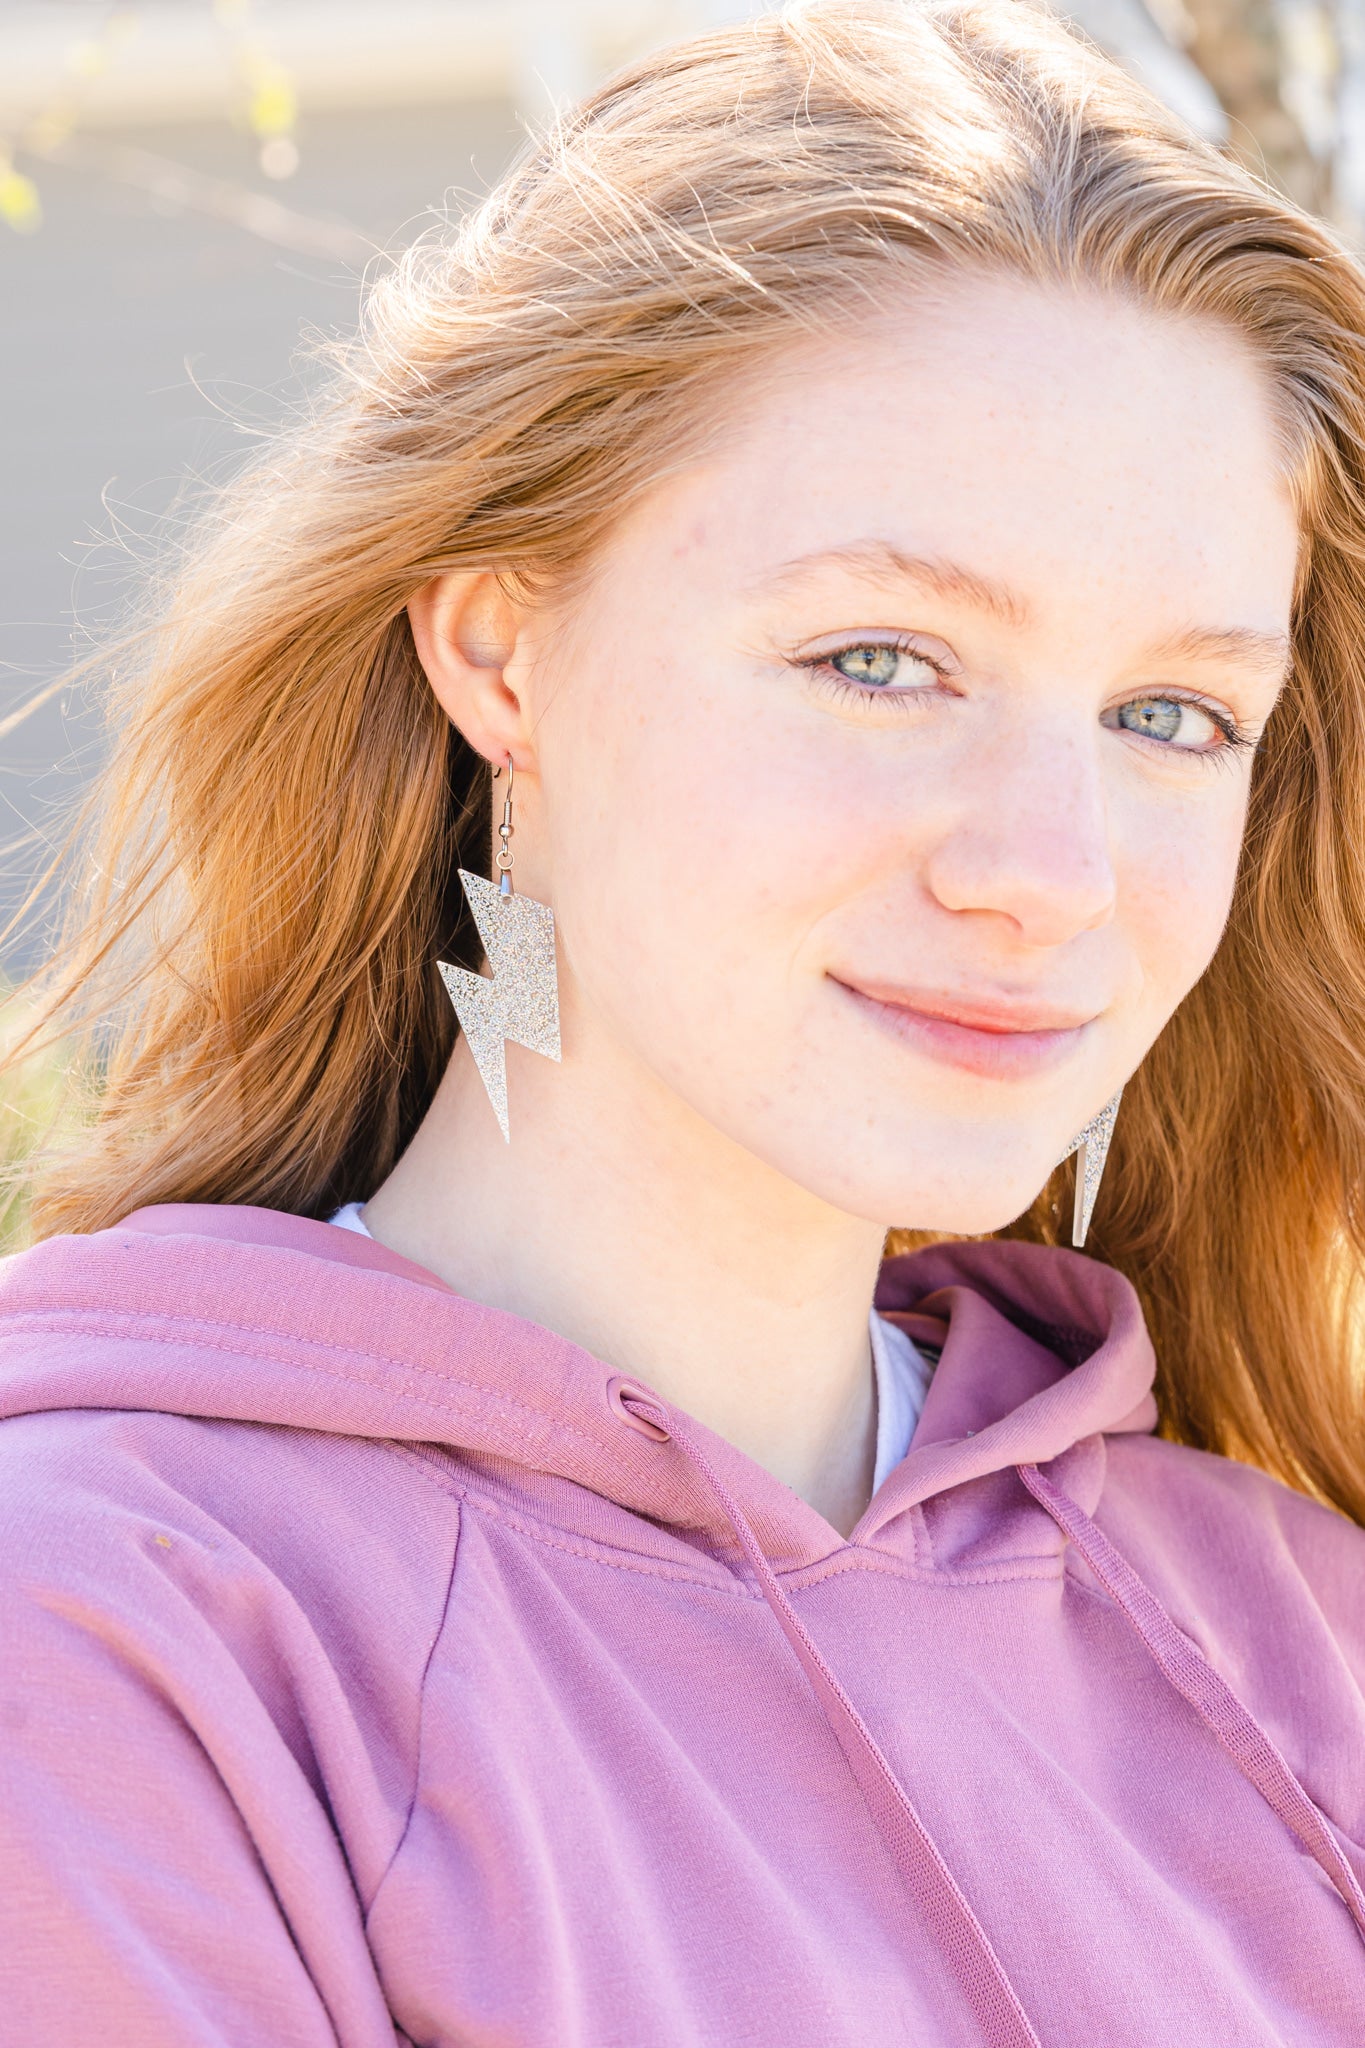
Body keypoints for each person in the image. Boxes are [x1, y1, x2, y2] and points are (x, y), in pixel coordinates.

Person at [2, 1, 1363, 2040]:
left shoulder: (1287, 1632)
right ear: (500, 650)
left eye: (1168, 714)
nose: (1049, 866)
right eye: (879, 656)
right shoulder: (113, 1624)